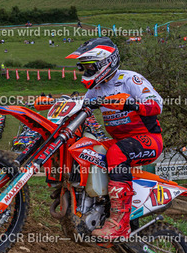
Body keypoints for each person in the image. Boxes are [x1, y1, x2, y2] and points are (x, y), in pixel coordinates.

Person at [66, 37, 164, 241]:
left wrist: (132, 104)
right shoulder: (95, 89)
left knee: (117, 153)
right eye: (83, 67)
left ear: (106, 63)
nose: (87, 71)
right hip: (119, 141)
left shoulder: (130, 79)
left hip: (148, 139)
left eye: (90, 66)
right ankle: (95, 207)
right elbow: (81, 111)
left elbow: (156, 104)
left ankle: (119, 224)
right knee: (86, 149)